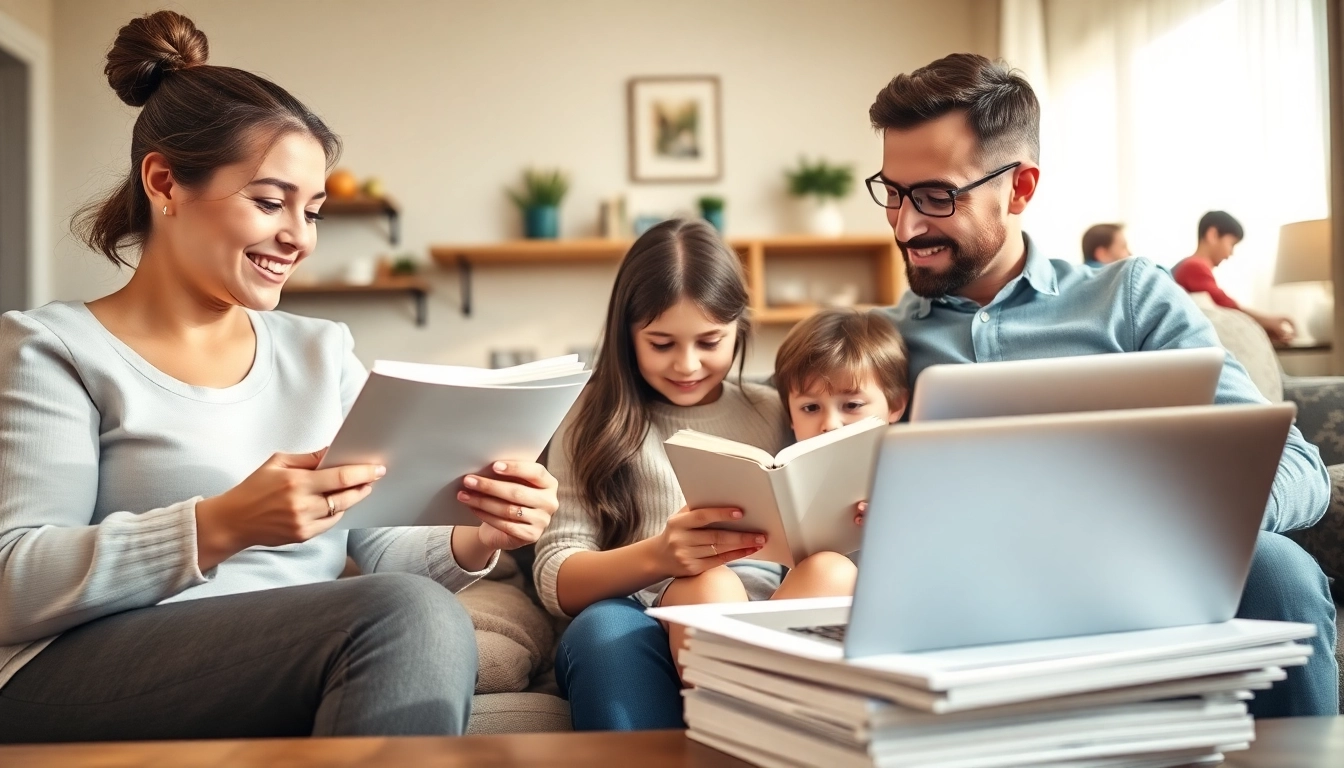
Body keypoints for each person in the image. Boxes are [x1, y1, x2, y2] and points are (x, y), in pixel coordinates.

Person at [0, 11, 557, 742]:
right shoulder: (54, 348)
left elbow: (378, 545)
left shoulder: (320, 352)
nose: (298, 237)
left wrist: (480, 535)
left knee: (415, 610)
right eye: (269, 203)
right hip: (74, 672)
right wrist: (221, 524)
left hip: (282, 659)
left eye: (312, 211)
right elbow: (12, 581)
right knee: (406, 614)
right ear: (164, 183)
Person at [866, 53, 1335, 717]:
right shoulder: (874, 346)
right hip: (963, 599)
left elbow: (1296, 465)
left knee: (1276, 567)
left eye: (937, 196)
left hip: (1148, 582)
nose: (905, 225)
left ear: (1020, 188)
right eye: (893, 191)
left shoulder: (1131, 299)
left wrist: (1200, 523)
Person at [535, 219, 858, 730]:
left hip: (771, 608)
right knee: (696, 591)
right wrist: (660, 555)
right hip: (642, 611)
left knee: (832, 570)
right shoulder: (591, 416)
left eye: (710, 341)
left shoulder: (778, 409)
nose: (687, 365)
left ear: (739, 329)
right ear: (627, 335)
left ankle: (756, 727)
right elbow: (557, 575)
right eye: (662, 344)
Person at [1171, 211, 1296, 345]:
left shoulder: (1187, 266)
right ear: (1213, 235)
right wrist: (1266, 321)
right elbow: (1225, 304)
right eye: (1231, 244)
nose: (1230, 254)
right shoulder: (1193, 266)